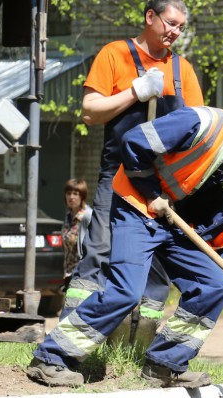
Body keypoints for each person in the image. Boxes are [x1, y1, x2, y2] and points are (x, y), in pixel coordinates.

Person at [26, 88, 223, 388]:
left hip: (178, 225)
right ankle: (51, 358)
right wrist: (152, 193)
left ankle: (164, 365)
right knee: (126, 292)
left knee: (213, 286)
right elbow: (133, 142)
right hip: (138, 209)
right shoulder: (201, 122)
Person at [64, 0, 204, 342]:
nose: (175, 32)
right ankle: (69, 340)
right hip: (118, 178)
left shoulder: (181, 70)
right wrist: (134, 92)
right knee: (98, 253)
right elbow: (90, 111)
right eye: (170, 23)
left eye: (181, 28)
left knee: (155, 269)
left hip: (163, 187)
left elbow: (200, 126)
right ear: (150, 16)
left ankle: (134, 347)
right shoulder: (115, 55)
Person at [61, 179, 93, 286]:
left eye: (76, 194)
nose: (71, 197)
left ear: (82, 197)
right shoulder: (68, 216)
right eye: (68, 193)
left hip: (84, 275)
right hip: (69, 273)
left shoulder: (88, 217)